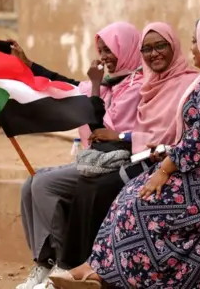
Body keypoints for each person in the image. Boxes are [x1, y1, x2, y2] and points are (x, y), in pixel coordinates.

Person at [50, 14, 200, 289]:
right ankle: (95, 267)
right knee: (130, 193)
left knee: (145, 203)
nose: (193, 48)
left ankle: (120, 276)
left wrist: (165, 169)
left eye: (196, 41)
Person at [44, 22, 198, 288]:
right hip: (143, 156)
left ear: (174, 46)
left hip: (170, 161)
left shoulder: (187, 82)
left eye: (160, 46)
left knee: (105, 187)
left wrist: (125, 138)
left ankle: (93, 268)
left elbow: (172, 133)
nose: (154, 54)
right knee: (88, 185)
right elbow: (140, 130)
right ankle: (73, 265)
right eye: (147, 49)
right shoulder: (150, 83)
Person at [16, 21, 144, 289]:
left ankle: (63, 263)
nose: (105, 57)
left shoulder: (137, 86)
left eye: (111, 49)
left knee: (44, 184)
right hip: (93, 162)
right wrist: (28, 65)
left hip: (116, 163)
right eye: (101, 50)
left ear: (128, 48)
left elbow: (99, 127)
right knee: (30, 182)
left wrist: (96, 86)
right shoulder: (107, 83)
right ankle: (43, 263)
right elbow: (63, 84)